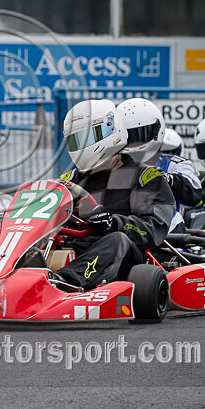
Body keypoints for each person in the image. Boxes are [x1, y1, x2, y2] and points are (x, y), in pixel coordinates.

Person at [55, 99, 175, 291]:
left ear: (111, 130)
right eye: (76, 140)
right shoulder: (70, 180)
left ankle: (63, 284)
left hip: (125, 255)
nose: (81, 146)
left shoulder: (146, 178)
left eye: (86, 138)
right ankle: (0, 279)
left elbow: (154, 228)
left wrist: (114, 223)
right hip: (77, 248)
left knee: (117, 239)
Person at [154, 128, 203, 232]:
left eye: (170, 152)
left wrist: (170, 180)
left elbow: (193, 191)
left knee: (175, 219)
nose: (163, 156)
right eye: (160, 151)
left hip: (167, 224)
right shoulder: (130, 161)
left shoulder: (179, 164)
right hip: (132, 220)